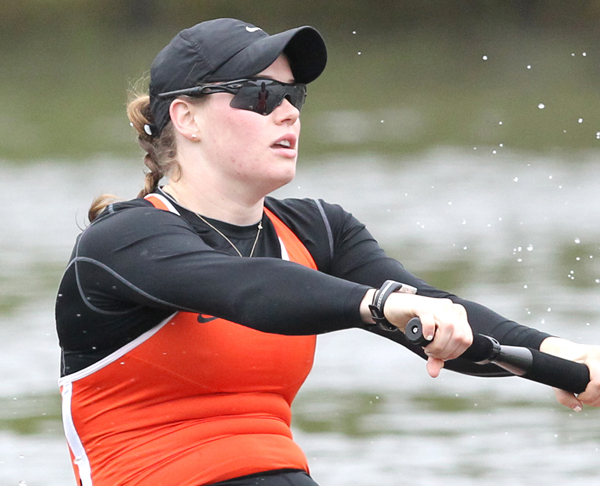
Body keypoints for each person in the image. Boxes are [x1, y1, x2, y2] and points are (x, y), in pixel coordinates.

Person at [55, 18, 600, 486]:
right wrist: (382, 306)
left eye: (294, 97)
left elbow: (440, 312)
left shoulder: (320, 229)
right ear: (186, 117)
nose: (288, 113)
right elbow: (251, 291)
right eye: (261, 95)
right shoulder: (120, 242)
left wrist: (565, 357)